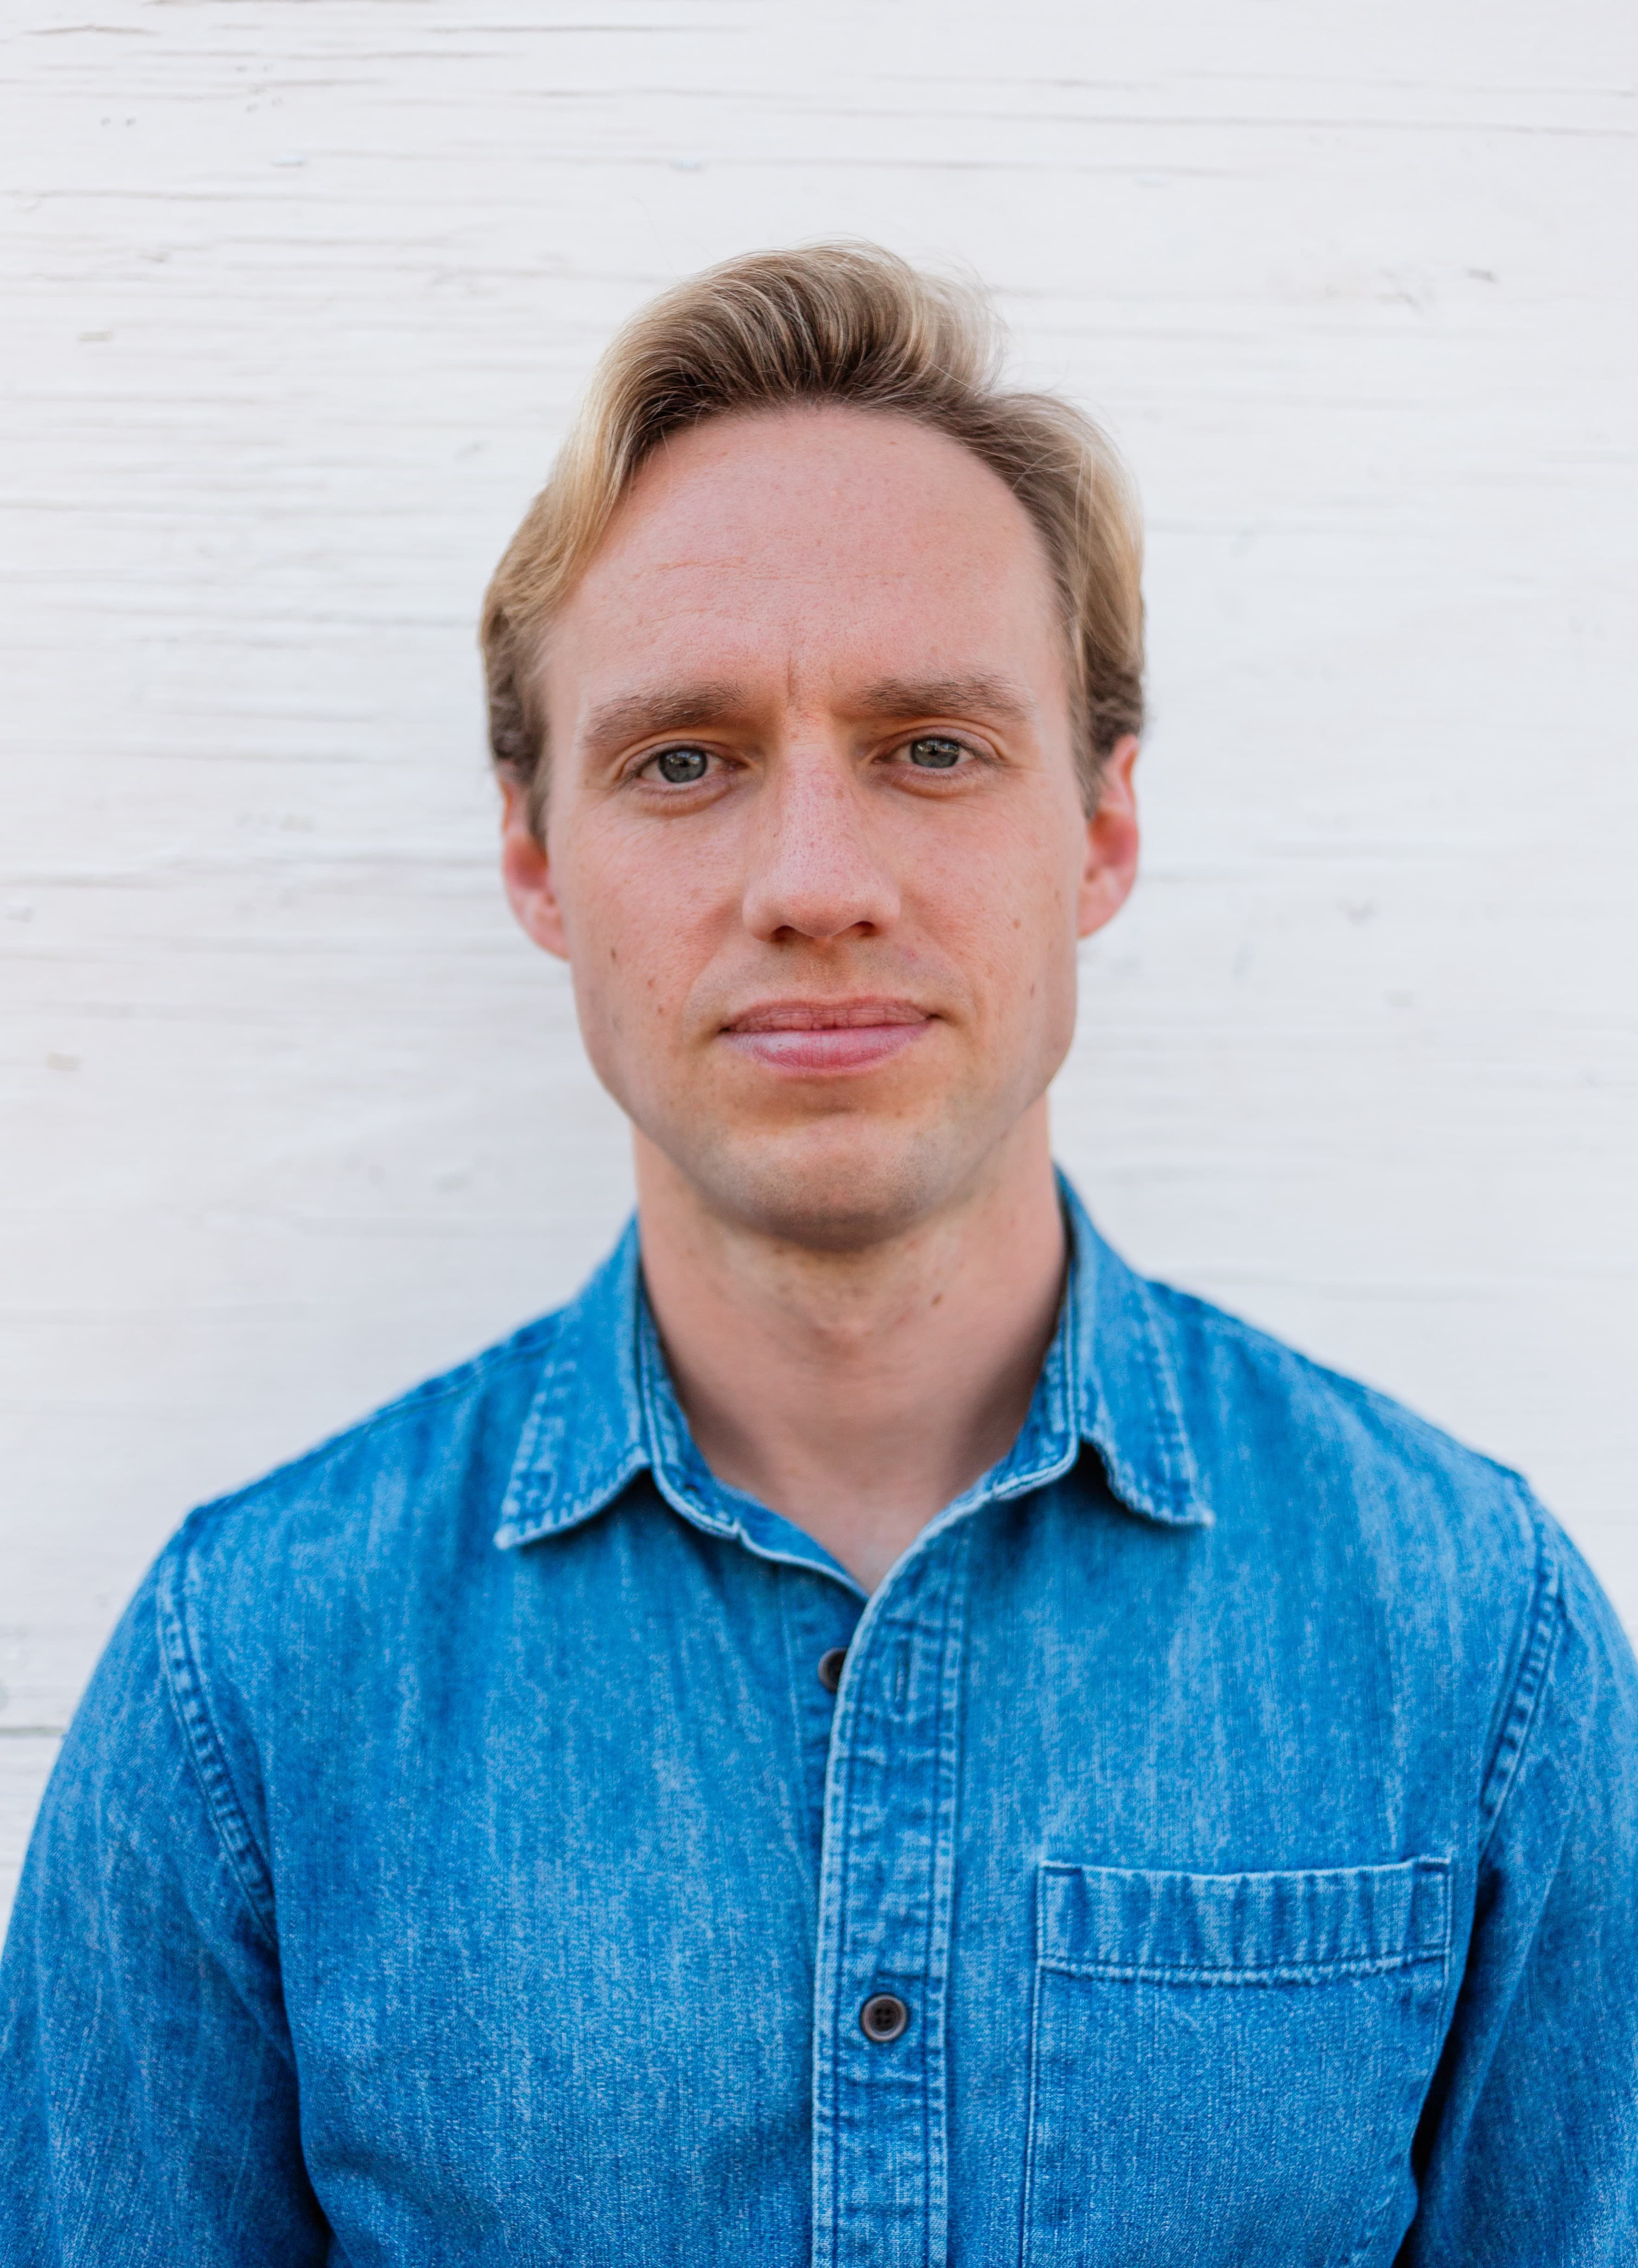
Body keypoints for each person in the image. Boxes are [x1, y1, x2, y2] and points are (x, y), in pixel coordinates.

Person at [2, 243, 1634, 2267]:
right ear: (534, 853)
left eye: (932, 747)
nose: (814, 882)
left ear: (1104, 826)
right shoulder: (242, 1684)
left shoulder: (1481, 1647)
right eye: (682, 759)